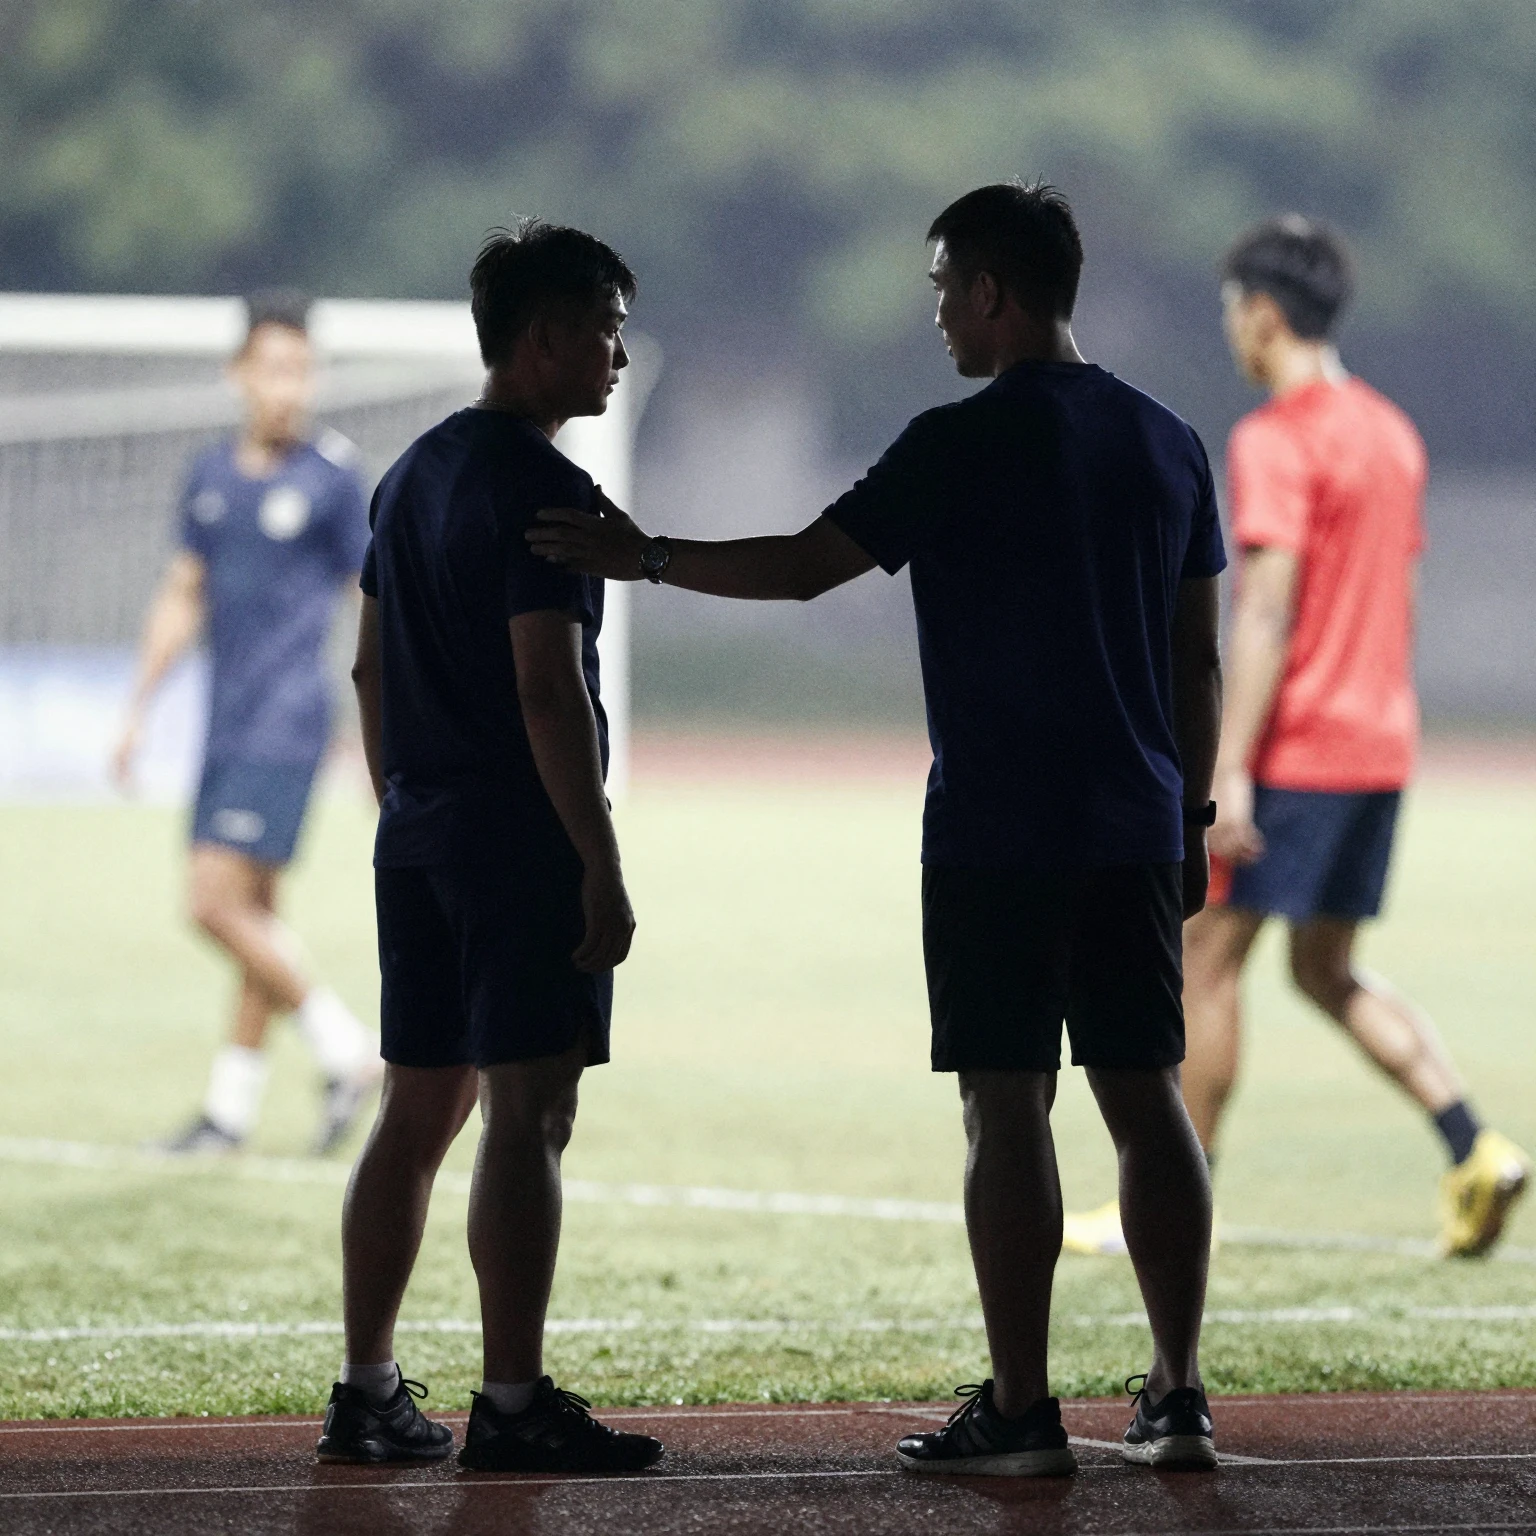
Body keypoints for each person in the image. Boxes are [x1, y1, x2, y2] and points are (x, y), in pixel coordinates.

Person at [529, 181, 1226, 1474]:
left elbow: (804, 566)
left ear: (996, 293)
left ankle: (1024, 1409)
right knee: (1147, 1096)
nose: (940, 316)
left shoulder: (956, 442)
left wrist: (652, 556)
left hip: (996, 828)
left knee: (1006, 1106)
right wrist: (1187, 808)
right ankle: (1179, 1393)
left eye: (945, 290)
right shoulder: (1169, 440)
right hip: (1134, 819)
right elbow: (1199, 660)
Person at [1062, 216, 1530, 1262]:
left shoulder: (1277, 438)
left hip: (1298, 750)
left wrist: (1227, 763)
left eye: (1233, 309)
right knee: (1326, 970)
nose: (1232, 329)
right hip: (1378, 743)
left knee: (1203, 960)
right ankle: (1475, 1145)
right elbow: (1400, 597)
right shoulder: (1392, 434)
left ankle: (1173, 1198)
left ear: (1264, 313)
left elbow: (1264, 612)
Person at [315, 221, 664, 1474]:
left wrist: (400, 803)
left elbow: (367, 663)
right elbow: (545, 689)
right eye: (607, 325)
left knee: (417, 1109)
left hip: (418, 834)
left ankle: (367, 1391)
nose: (620, 353)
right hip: (518, 842)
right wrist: (599, 858)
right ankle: (510, 1403)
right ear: (543, 337)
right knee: (531, 1109)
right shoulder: (551, 496)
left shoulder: (408, 475)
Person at [114, 292, 380, 1158]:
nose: (289, 387)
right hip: (225, 722)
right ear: (240, 375)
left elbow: (376, 600)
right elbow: (182, 592)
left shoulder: (332, 481)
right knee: (258, 915)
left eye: (302, 370)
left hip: (288, 721)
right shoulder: (211, 479)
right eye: (273, 367)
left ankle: (348, 1053)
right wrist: (138, 708)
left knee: (210, 904)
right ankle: (230, 1113)